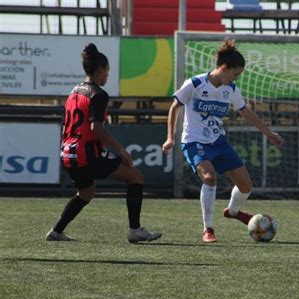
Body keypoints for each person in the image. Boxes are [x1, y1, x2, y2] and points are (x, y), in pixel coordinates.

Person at [162, 39, 284, 243]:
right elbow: (175, 107)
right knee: (209, 178)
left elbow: (246, 112)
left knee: (246, 186)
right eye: (235, 74)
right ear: (224, 68)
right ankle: (208, 229)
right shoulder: (195, 84)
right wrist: (169, 137)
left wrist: (268, 133)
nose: (235, 78)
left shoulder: (231, 90)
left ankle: (234, 211)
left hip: (218, 142)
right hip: (194, 142)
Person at [46, 43, 161, 243]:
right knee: (136, 176)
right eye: (107, 71)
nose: (107, 76)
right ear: (100, 71)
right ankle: (135, 230)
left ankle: (56, 232)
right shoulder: (98, 94)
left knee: (86, 193)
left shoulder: (75, 90)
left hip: (67, 153)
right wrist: (120, 149)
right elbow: (95, 128)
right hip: (86, 154)